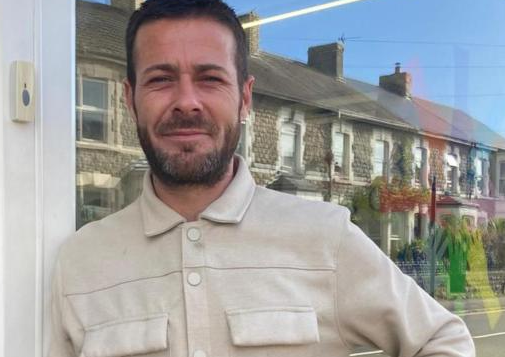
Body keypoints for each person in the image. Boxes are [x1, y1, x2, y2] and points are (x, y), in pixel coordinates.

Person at [50, 0, 475, 356]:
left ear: (245, 98)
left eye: (210, 78)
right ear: (130, 98)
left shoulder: (325, 237)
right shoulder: (82, 263)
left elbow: (444, 340)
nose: (187, 102)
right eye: (161, 79)